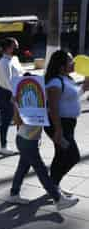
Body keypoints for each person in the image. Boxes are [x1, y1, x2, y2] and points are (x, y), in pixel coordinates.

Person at [9, 89, 79, 211]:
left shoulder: (37, 104)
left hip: (26, 141)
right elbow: (17, 121)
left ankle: (14, 194)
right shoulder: (26, 106)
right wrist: (15, 105)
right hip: (27, 143)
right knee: (41, 171)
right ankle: (58, 199)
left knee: (22, 168)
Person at [44, 50, 89, 196]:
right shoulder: (54, 83)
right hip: (58, 125)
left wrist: (84, 88)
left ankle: (54, 185)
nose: (74, 63)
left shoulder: (67, 79)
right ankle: (53, 186)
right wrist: (58, 130)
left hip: (68, 124)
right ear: (61, 66)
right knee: (73, 156)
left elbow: (72, 98)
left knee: (61, 155)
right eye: (70, 61)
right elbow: (53, 108)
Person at [0, 37, 24, 155]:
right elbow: (8, 81)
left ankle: (21, 144)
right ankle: (3, 146)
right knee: (6, 121)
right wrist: (15, 94)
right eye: (14, 46)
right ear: (7, 48)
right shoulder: (3, 63)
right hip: (7, 94)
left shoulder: (15, 59)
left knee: (20, 120)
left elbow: (20, 73)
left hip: (18, 92)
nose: (17, 48)